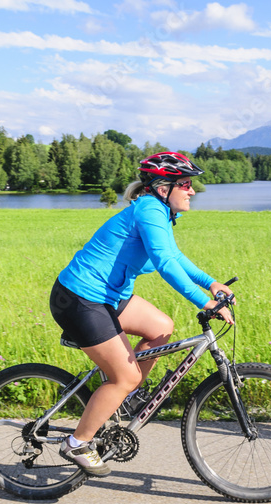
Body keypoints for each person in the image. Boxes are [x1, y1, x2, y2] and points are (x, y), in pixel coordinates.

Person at [50, 151, 234, 476]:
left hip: (108, 297)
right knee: (127, 375)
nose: (192, 191)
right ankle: (77, 442)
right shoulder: (150, 208)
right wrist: (203, 302)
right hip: (80, 298)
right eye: (187, 184)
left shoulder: (157, 212)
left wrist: (211, 283)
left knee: (161, 326)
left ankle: (122, 397)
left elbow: (173, 254)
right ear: (164, 187)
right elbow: (164, 263)